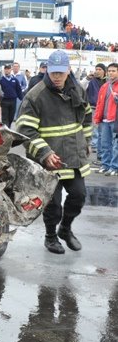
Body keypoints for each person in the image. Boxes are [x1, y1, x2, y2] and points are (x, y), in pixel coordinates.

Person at [16, 50, 93, 254]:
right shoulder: (35, 96)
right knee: (53, 204)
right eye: (53, 72)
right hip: (49, 161)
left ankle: (65, 230)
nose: (57, 77)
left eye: (61, 72)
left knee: (79, 195)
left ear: (69, 70)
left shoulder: (77, 89)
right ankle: (50, 236)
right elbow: (25, 130)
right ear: (47, 70)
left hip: (74, 157)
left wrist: (86, 140)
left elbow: (86, 115)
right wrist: (45, 153)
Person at [94, 62, 118, 176]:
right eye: (109, 71)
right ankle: (105, 165)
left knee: (116, 145)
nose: (111, 73)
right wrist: (97, 117)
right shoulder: (104, 86)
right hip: (104, 120)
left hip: (115, 120)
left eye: (113, 71)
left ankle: (115, 167)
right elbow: (99, 103)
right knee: (105, 144)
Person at [81, 63, 107, 162]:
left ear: (104, 71)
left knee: (101, 131)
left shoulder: (107, 81)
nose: (97, 71)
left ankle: (98, 150)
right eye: (96, 69)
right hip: (92, 107)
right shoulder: (90, 81)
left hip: (104, 109)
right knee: (93, 128)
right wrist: (87, 78)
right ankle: (94, 146)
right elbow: (80, 86)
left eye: (100, 69)